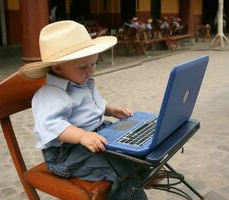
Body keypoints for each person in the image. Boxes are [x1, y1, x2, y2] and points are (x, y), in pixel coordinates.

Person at [18, 20, 149, 200]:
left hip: (96, 135)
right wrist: (81, 136)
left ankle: (142, 174)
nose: (90, 71)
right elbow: (52, 126)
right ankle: (131, 188)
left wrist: (111, 110)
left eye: (93, 64)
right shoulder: (49, 94)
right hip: (66, 155)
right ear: (57, 67)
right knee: (121, 170)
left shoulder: (82, 82)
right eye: (83, 67)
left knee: (136, 145)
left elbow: (93, 105)